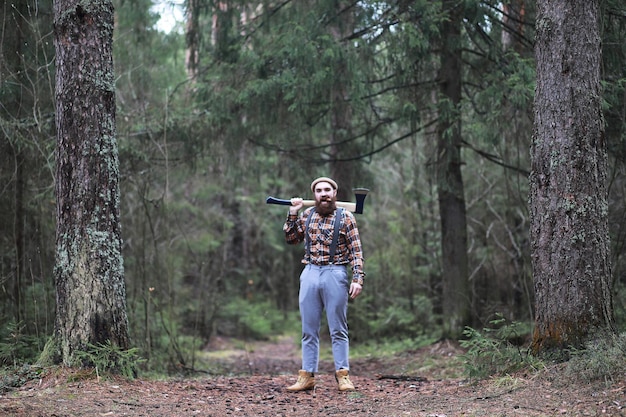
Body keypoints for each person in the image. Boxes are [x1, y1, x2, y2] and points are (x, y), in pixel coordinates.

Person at [283, 176, 365, 392]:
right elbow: (291, 239)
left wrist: (358, 278)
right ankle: (307, 376)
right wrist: (293, 212)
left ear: (334, 193)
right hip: (309, 272)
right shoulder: (307, 215)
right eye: (319, 190)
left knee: (338, 328)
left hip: (335, 273)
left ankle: (343, 375)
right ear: (315, 195)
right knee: (308, 329)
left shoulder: (346, 217)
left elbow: (356, 251)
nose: (323, 194)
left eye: (327, 190)